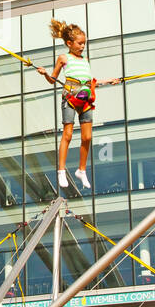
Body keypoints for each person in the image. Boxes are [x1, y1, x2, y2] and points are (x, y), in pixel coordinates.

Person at [36, 19, 119, 190]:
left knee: (87, 137)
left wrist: (109, 80)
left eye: (84, 44)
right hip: (70, 98)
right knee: (67, 134)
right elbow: (53, 79)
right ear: (69, 43)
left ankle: (81, 170)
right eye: (80, 44)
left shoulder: (85, 59)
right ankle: (61, 170)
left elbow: (90, 81)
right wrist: (45, 73)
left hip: (86, 99)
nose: (82, 47)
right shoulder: (64, 58)